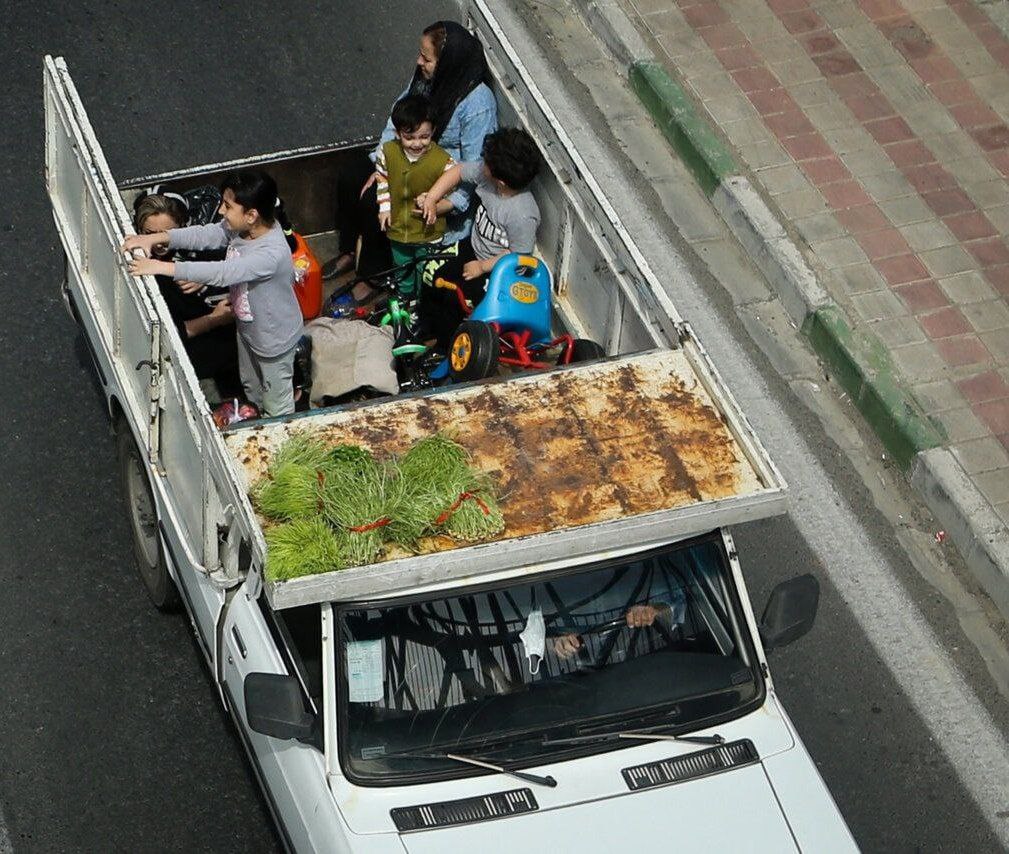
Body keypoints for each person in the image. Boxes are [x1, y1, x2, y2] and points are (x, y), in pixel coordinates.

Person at [122, 170, 303, 418]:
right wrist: (160, 238)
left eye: (227, 207)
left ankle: (277, 430)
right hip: (248, 329)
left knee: (277, 402)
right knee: (251, 387)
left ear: (251, 215)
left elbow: (223, 272)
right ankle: (256, 412)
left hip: (272, 341)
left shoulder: (269, 254)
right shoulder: (241, 229)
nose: (220, 211)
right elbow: (207, 234)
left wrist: (160, 267)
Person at [329, 20, 498, 281]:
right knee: (351, 177)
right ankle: (350, 250)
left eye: (426, 58)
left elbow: (473, 168)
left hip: (437, 179)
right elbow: (397, 118)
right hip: (405, 154)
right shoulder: (426, 81)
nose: (419, 63)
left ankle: (372, 276)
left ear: (447, 64)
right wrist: (381, 163)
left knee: (376, 199)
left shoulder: (477, 104)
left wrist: (447, 203)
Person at [417, 127, 542, 348]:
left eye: (486, 162)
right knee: (430, 272)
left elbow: (519, 256)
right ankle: (425, 326)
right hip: (471, 249)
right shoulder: (487, 179)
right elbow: (458, 172)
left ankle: (446, 347)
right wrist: (432, 198)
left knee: (454, 299)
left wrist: (483, 267)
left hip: (496, 273)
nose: (481, 164)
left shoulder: (522, 213)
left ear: (501, 180)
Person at [131, 192, 240, 398]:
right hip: (193, 359)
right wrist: (215, 319)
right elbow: (170, 333)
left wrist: (203, 274)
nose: (158, 243)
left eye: (165, 235)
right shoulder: (144, 273)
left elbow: (236, 259)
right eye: (149, 234)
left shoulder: (196, 247)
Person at [375, 95, 455, 296]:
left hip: (429, 234)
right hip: (398, 229)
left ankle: (421, 303)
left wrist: (432, 197)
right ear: (397, 133)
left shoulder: (443, 161)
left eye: (424, 137)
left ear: (433, 132)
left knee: (424, 271)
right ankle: (405, 299)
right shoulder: (387, 152)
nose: (417, 143)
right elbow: (382, 179)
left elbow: (451, 189)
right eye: (409, 137)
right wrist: (384, 208)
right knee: (402, 268)